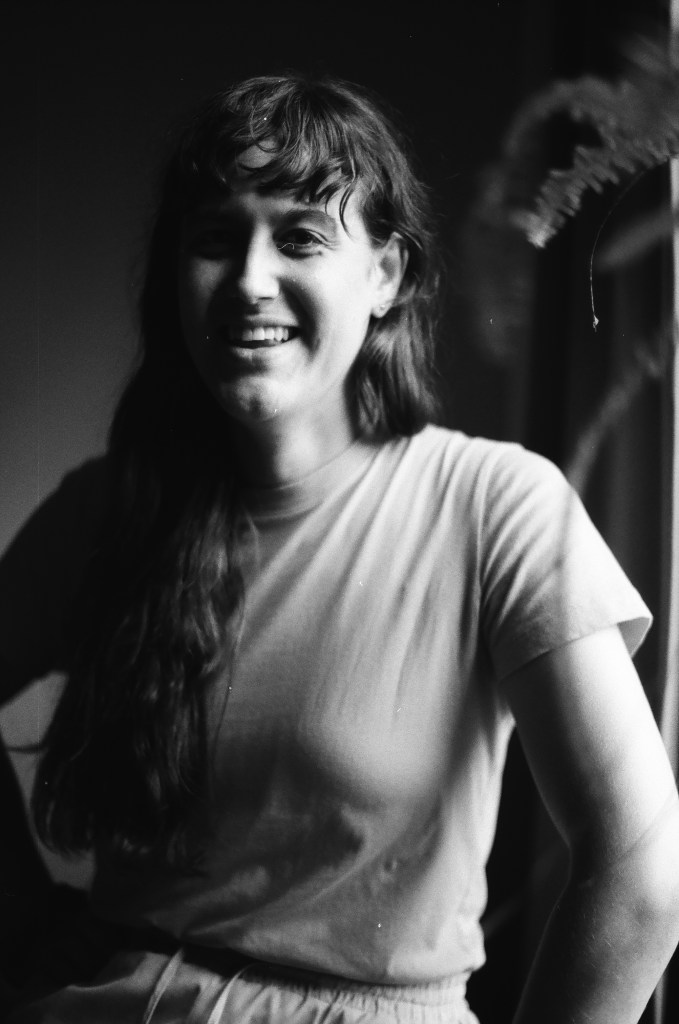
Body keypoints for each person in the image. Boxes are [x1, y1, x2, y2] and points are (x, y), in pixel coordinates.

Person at [1, 71, 678, 1024]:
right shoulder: (106, 507)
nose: (248, 281)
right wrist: (22, 917)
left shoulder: (497, 504)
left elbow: (641, 874)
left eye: (300, 237)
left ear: (385, 275)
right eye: (213, 239)